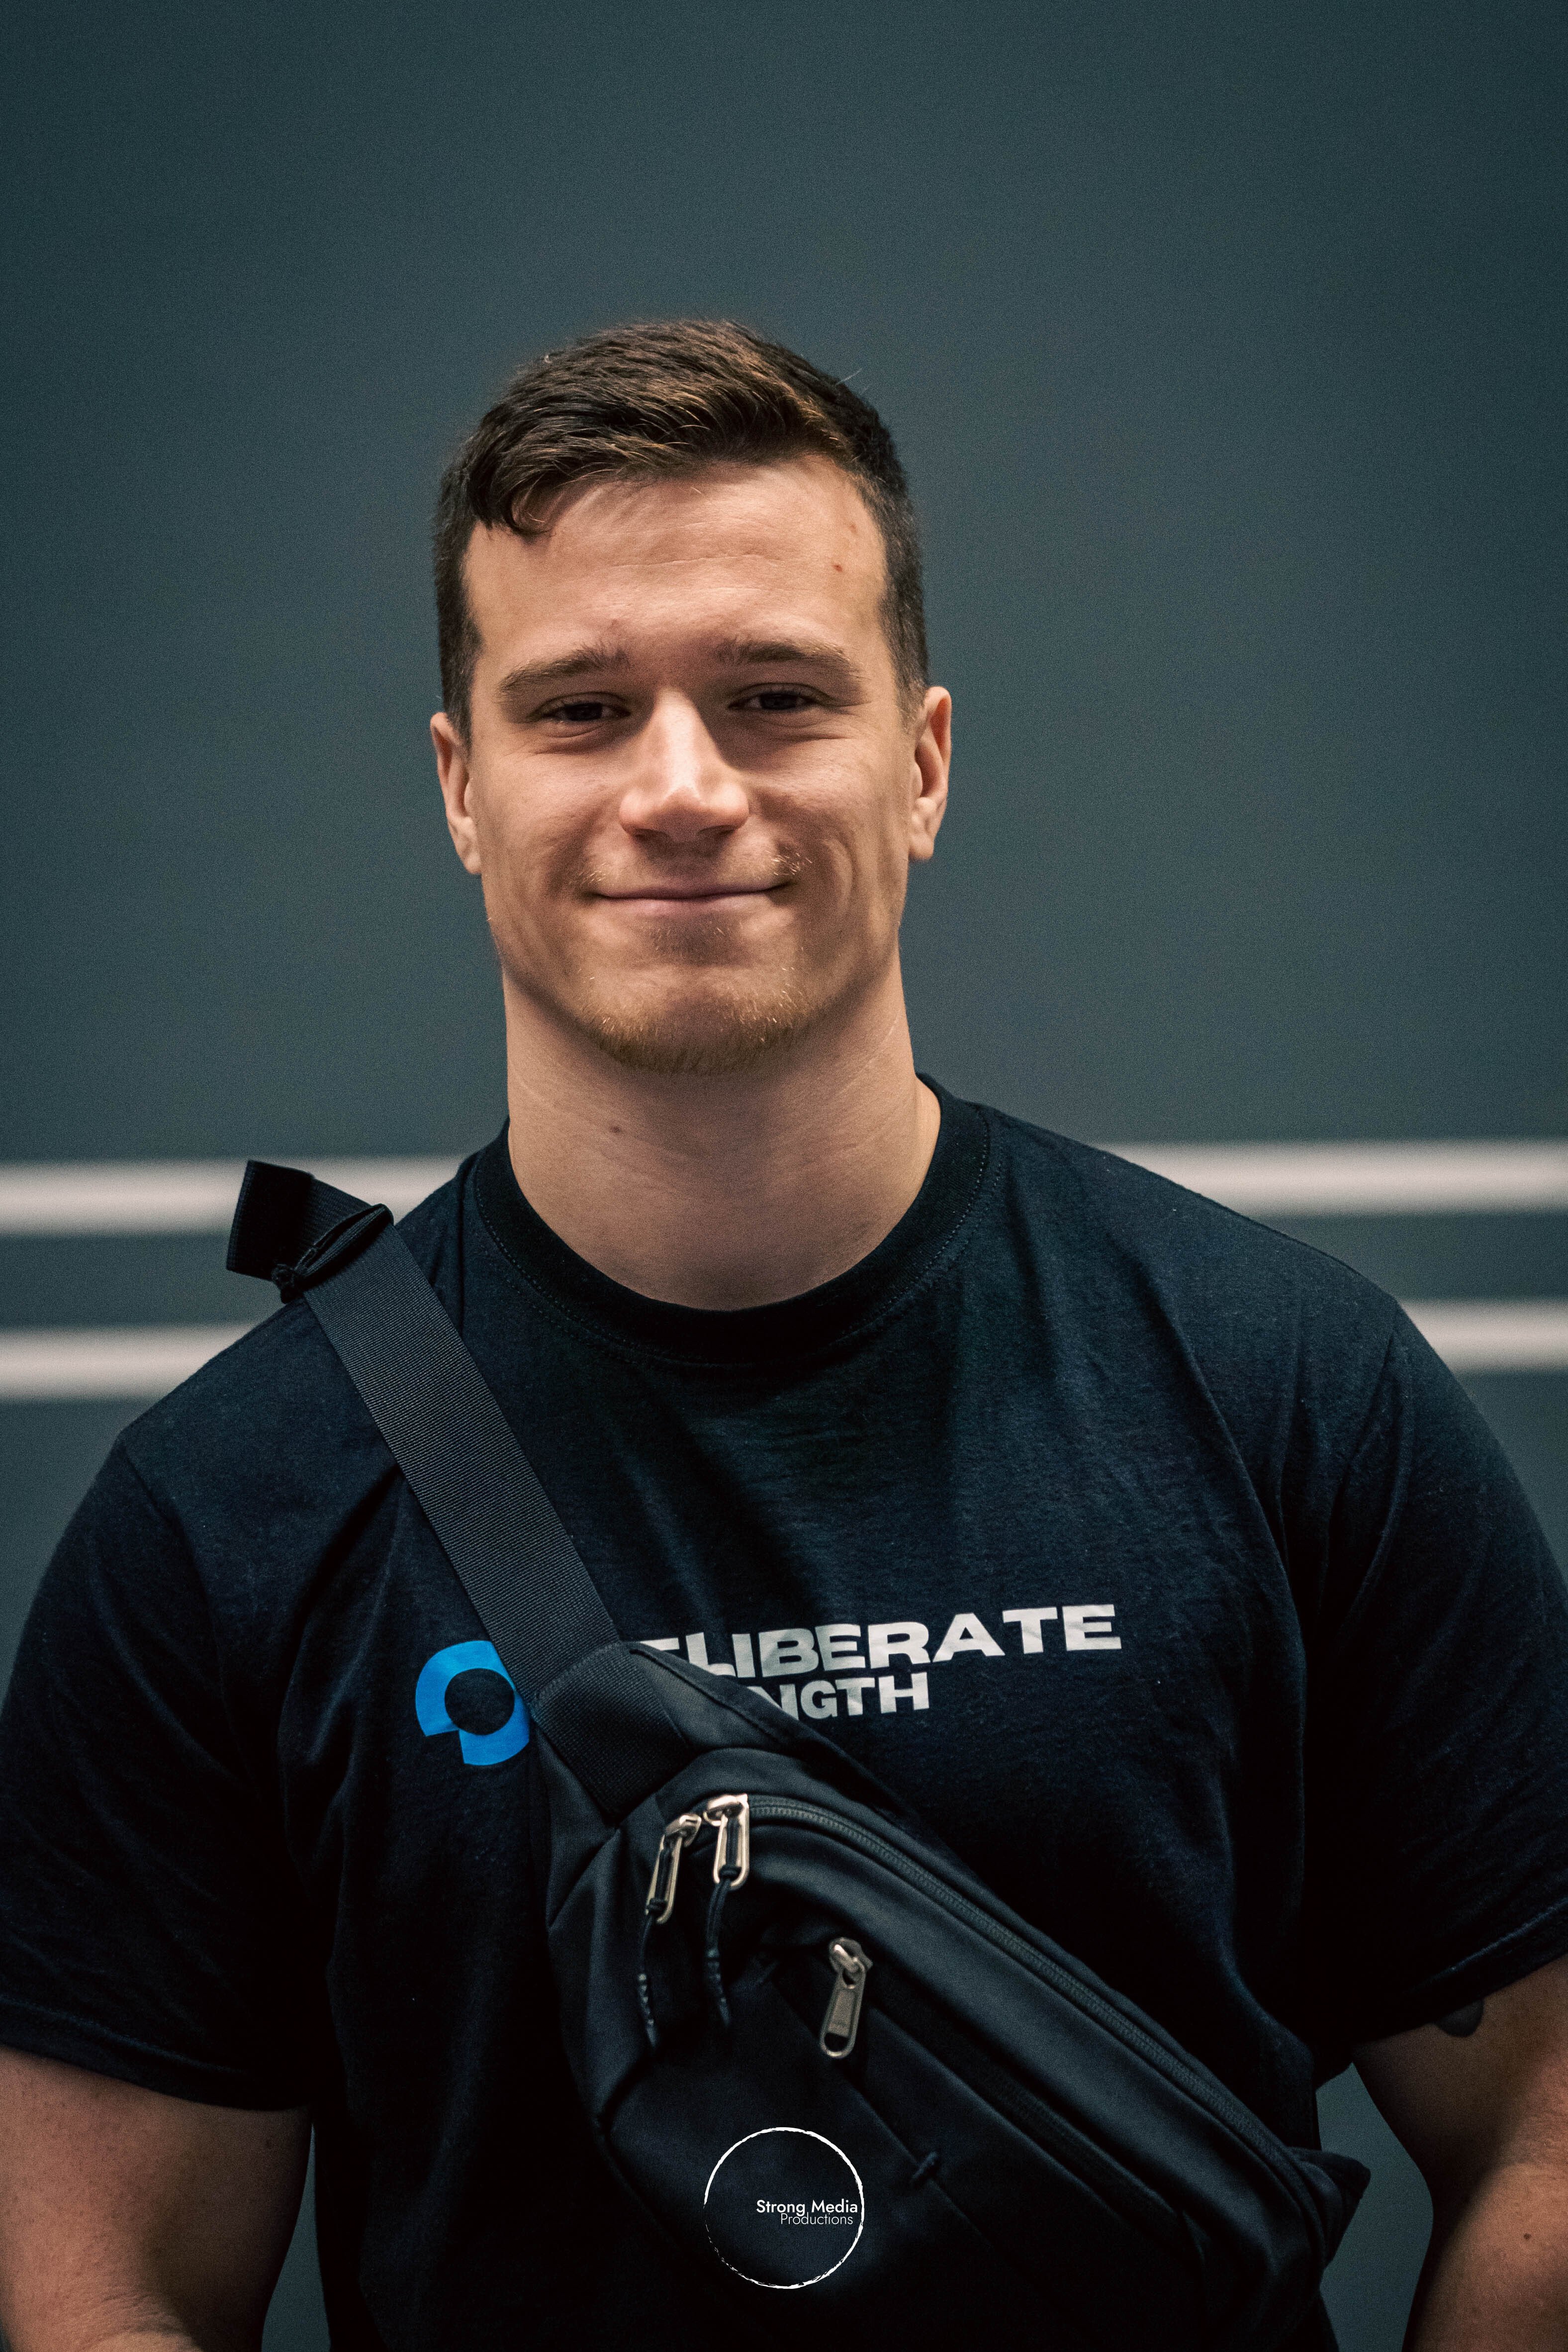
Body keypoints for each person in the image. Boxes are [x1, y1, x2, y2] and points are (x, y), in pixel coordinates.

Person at [0, 320, 1565, 2352]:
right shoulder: (227, 1515)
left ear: (920, 763)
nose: (681, 786)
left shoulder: (1289, 1395)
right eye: (582, 709)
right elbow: (99, 2278)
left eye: (773, 697)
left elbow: (1543, 2117)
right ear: (463, 786)